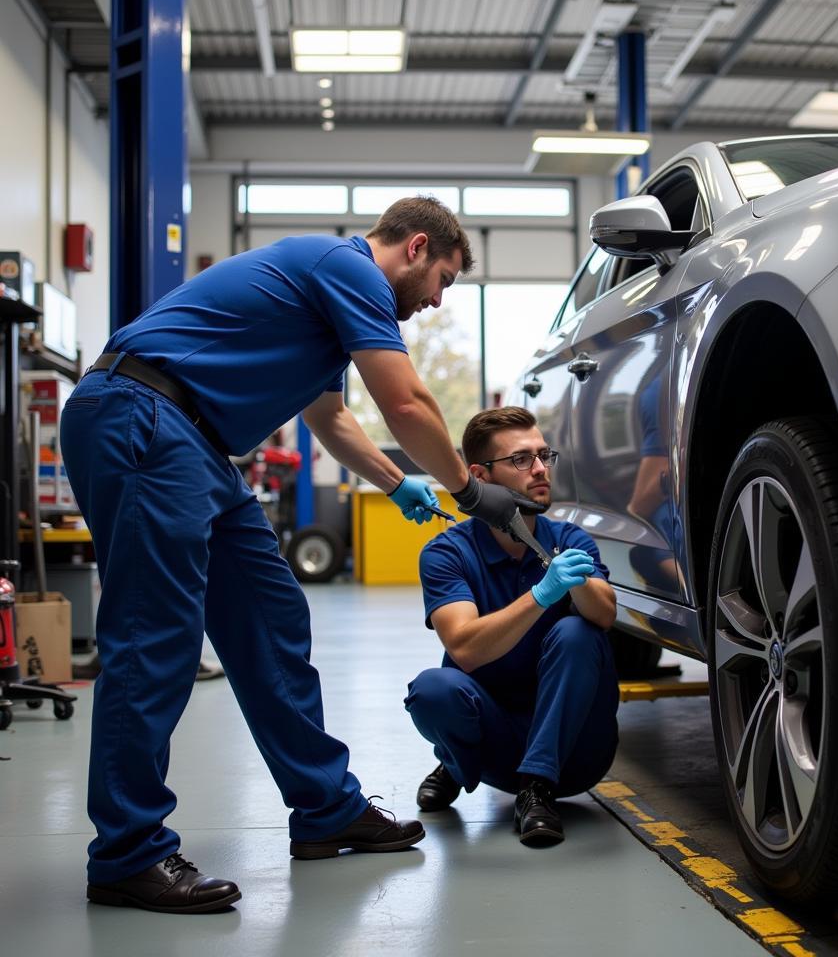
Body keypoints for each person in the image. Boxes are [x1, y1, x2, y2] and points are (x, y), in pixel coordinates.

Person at [60, 197, 539, 914]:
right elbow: (406, 403)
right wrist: (469, 491)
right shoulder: (348, 269)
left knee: (272, 616)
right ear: (414, 248)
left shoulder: (327, 301)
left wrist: (394, 480)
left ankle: (325, 808)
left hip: (193, 440)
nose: (437, 301)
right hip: (143, 415)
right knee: (155, 637)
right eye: (442, 279)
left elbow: (331, 418)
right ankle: (127, 854)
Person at [404, 407, 620, 846]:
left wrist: (572, 581)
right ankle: (455, 760)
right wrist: (541, 595)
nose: (540, 469)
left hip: (576, 750)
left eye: (544, 456)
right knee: (432, 690)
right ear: (480, 476)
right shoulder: (447, 553)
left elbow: (604, 615)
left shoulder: (570, 539)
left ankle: (536, 786)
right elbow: (464, 647)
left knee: (578, 632)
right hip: (496, 746)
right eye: (521, 460)